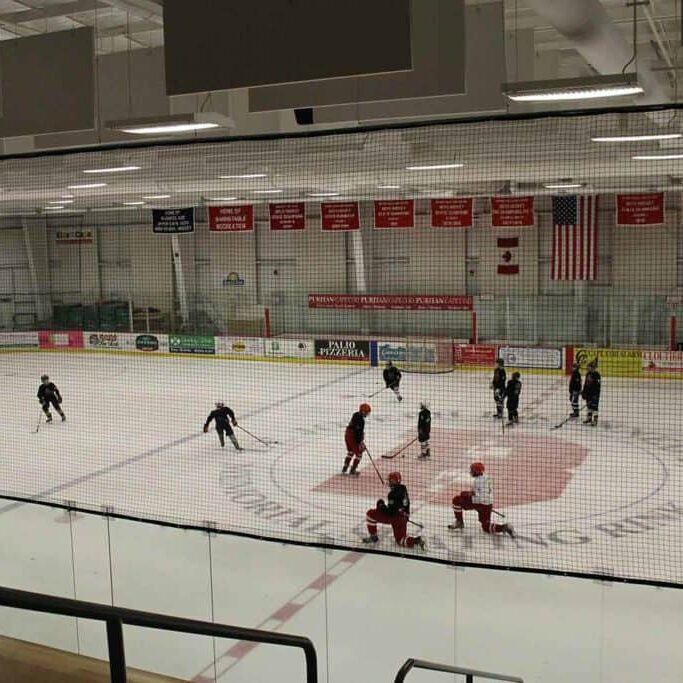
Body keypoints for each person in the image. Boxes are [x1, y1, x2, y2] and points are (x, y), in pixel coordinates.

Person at [448, 462, 514, 537]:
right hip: (487, 505)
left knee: (456, 500)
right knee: (486, 527)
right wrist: (470, 494)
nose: (471, 472)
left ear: (476, 471)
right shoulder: (486, 478)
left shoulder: (477, 481)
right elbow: (482, 493)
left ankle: (459, 522)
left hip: (480, 503)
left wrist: (467, 494)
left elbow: (478, 497)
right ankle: (504, 527)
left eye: (472, 470)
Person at [363, 471, 425, 549]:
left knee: (370, 514)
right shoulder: (403, 489)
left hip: (395, 518)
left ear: (394, 481)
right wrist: (406, 516)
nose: (389, 482)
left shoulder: (392, 495)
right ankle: (416, 540)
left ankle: (373, 537)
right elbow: (406, 505)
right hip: (403, 518)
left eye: (390, 481)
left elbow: (390, 512)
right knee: (401, 540)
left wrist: (381, 505)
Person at [342, 403, 371, 475]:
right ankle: (353, 470)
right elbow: (357, 432)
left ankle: (345, 466)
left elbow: (356, 429)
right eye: (367, 412)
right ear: (363, 411)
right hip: (353, 436)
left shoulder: (355, 414)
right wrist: (360, 441)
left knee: (351, 451)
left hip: (347, 434)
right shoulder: (361, 420)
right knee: (359, 454)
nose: (367, 414)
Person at [582, 360, 601, 426]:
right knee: (589, 406)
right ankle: (589, 418)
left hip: (595, 394)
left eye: (589, 367)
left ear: (592, 367)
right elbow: (585, 384)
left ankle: (595, 420)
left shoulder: (597, 375)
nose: (588, 368)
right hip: (588, 393)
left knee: (594, 407)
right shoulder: (588, 374)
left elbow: (598, 386)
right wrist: (584, 392)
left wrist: (595, 395)